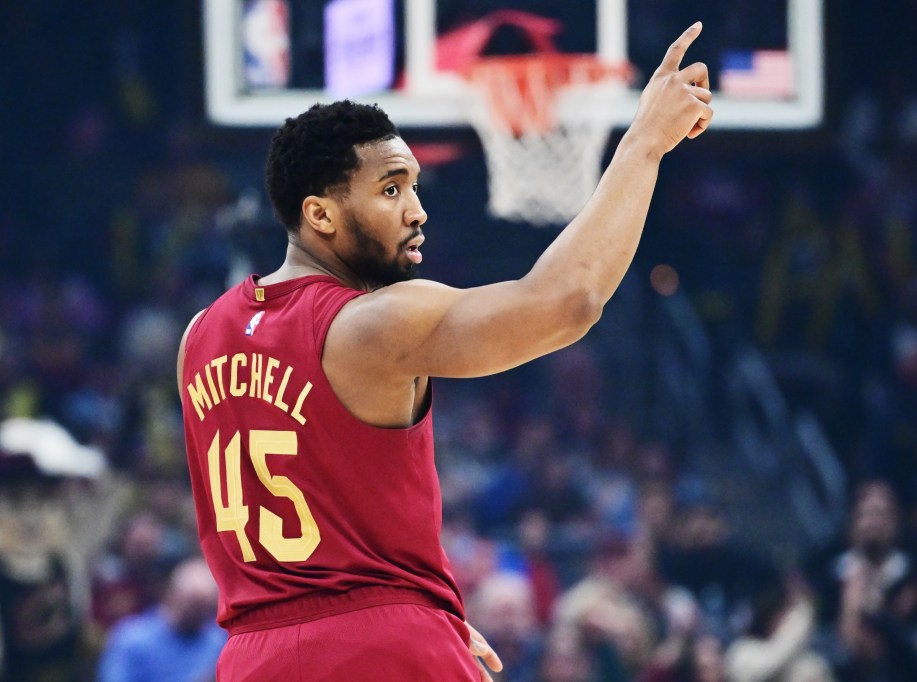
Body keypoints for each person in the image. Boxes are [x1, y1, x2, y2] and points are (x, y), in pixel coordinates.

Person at [176, 22, 714, 681]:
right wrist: (644, 144)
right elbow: (567, 301)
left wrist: (424, 606)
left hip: (253, 658)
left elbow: (314, 509)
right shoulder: (370, 322)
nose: (418, 210)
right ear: (320, 214)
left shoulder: (199, 336)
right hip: (383, 649)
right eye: (392, 188)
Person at [97, 556, 225, 682]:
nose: (196, 613)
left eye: (204, 607)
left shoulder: (218, 642)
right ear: (172, 593)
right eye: (193, 603)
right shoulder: (132, 638)